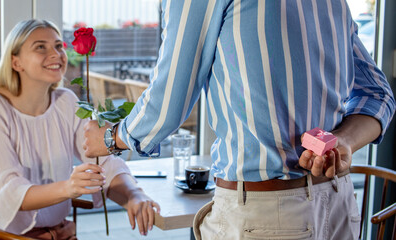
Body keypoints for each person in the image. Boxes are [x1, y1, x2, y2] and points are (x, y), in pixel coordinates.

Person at [83, 1, 395, 239]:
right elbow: (379, 94)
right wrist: (344, 141)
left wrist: (111, 138)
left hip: (268, 216)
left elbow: (168, 102)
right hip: (340, 205)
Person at [0, 19, 160, 239]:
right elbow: (10, 192)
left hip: (59, 233)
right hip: (4, 236)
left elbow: (103, 162)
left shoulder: (66, 101)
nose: (56, 54)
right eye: (41, 47)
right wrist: (69, 188)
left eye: (59, 46)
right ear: (16, 62)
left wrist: (133, 194)